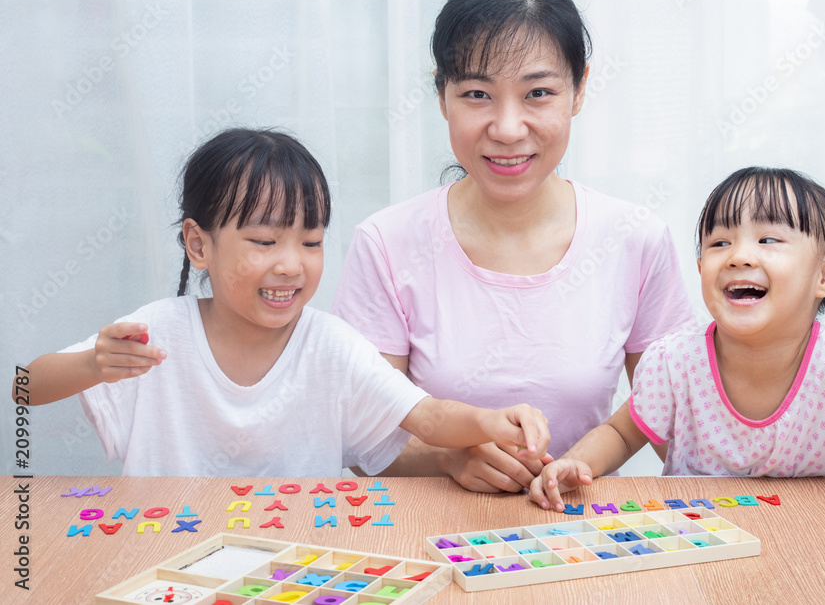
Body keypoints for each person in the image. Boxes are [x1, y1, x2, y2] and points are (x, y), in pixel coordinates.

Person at [332, 0, 694, 492]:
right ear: (441, 96)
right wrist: (445, 458)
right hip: (432, 537)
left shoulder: (635, 239)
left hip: (584, 531)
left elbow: (674, 416)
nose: (506, 128)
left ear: (579, 90)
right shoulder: (387, 243)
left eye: (538, 93)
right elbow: (360, 435)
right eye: (477, 93)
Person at [13, 128, 549, 476]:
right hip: (161, 562)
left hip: (297, 570)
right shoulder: (155, 335)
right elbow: (24, 387)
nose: (292, 264)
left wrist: (488, 422)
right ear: (198, 244)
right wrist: (92, 364)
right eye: (265, 242)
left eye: (311, 242)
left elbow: (428, 417)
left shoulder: (331, 345)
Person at [529, 167, 825, 542]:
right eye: (719, 243)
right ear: (701, 269)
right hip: (702, 547)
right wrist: (580, 463)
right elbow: (621, 434)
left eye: (768, 240)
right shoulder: (675, 362)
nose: (738, 256)